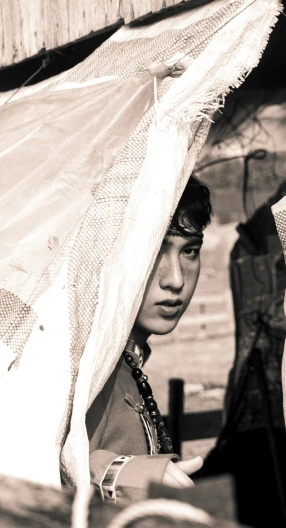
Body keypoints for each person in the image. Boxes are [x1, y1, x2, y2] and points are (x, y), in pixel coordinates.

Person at [86, 174, 212, 503]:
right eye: (155, 249)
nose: (175, 280)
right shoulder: (85, 365)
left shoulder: (127, 361)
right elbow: (31, 461)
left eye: (190, 250)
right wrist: (118, 473)